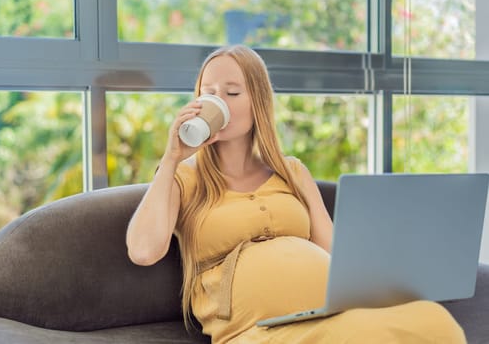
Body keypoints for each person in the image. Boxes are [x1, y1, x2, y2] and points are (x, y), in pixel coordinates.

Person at [126, 45, 466, 344]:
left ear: (257, 101)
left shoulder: (292, 172)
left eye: (232, 92)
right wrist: (171, 157)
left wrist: (396, 272)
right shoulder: (184, 176)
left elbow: (333, 252)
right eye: (209, 92)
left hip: (329, 313)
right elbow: (144, 250)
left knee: (433, 321)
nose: (218, 101)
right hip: (256, 330)